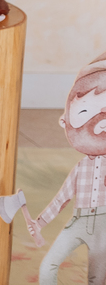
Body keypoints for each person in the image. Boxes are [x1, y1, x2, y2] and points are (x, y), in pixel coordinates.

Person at [28, 50, 106, 285]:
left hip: (103, 225)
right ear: (65, 120)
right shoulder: (81, 167)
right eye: (84, 112)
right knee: (48, 266)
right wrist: (38, 223)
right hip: (77, 222)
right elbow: (62, 198)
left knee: (97, 277)